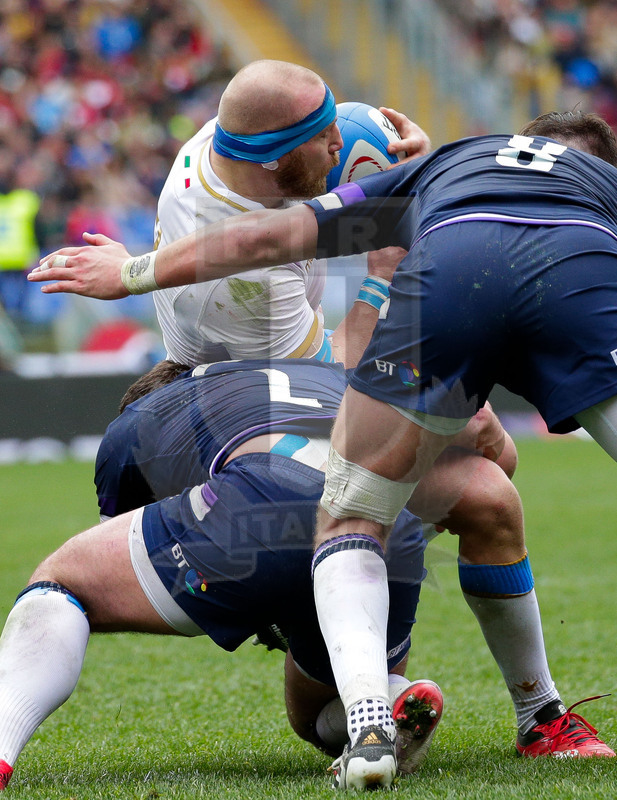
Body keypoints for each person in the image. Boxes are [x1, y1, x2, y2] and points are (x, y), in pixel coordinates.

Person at [31, 110, 617, 785]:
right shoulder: (592, 189)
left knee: (352, 515)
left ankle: (371, 726)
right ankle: (541, 717)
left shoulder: (444, 169)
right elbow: (491, 445)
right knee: (488, 489)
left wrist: (131, 272)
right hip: (576, 267)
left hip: (454, 266)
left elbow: (274, 234)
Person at [0, 355, 440, 793]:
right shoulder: (324, 372)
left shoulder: (144, 413)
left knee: (65, 581)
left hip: (261, 507)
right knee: (309, 714)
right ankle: (388, 702)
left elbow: (120, 554)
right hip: (390, 528)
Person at [151, 58, 430, 366]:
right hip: (244, 394)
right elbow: (329, 376)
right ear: (271, 158)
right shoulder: (242, 282)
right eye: (323, 135)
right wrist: (383, 277)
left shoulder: (235, 139)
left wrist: (411, 165)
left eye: (333, 120)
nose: (340, 141)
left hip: (282, 335)